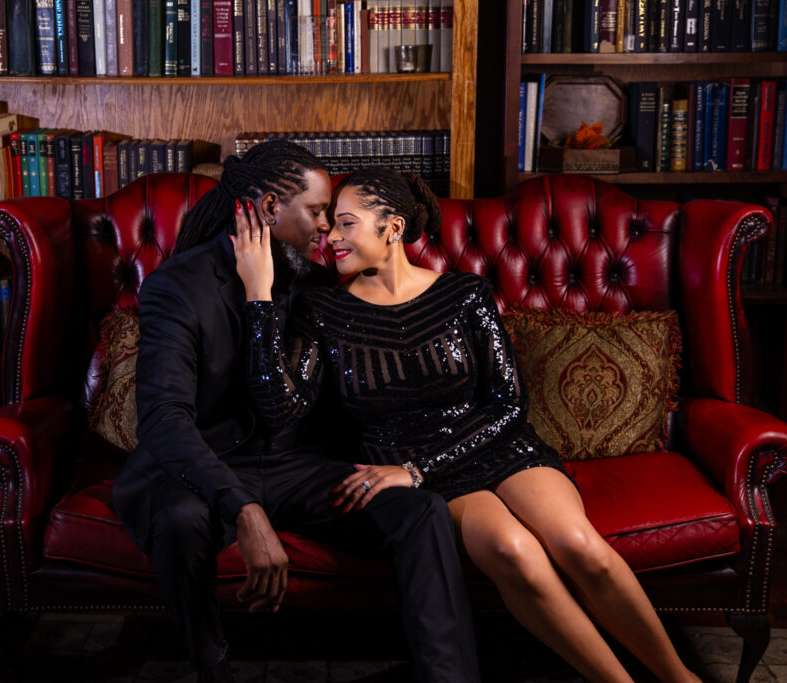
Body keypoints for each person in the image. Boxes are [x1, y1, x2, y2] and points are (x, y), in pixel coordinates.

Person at [234, 165, 701, 683]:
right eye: (331, 225)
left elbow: (508, 405)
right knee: (512, 550)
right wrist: (259, 297)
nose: (331, 236)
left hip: (495, 446)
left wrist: (417, 468)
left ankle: (682, 678)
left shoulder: (465, 295)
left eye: (346, 223)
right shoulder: (321, 310)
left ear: (392, 227)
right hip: (421, 473)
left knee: (576, 543)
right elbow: (280, 408)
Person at [111, 143, 480, 683]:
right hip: (205, 469)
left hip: (295, 465)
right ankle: (211, 667)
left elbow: (306, 399)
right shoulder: (179, 287)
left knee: (418, 510)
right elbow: (164, 419)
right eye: (317, 211)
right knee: (182, 518)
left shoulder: (311, 279)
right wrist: (243, 509)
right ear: (266, 208)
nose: (327, 227)